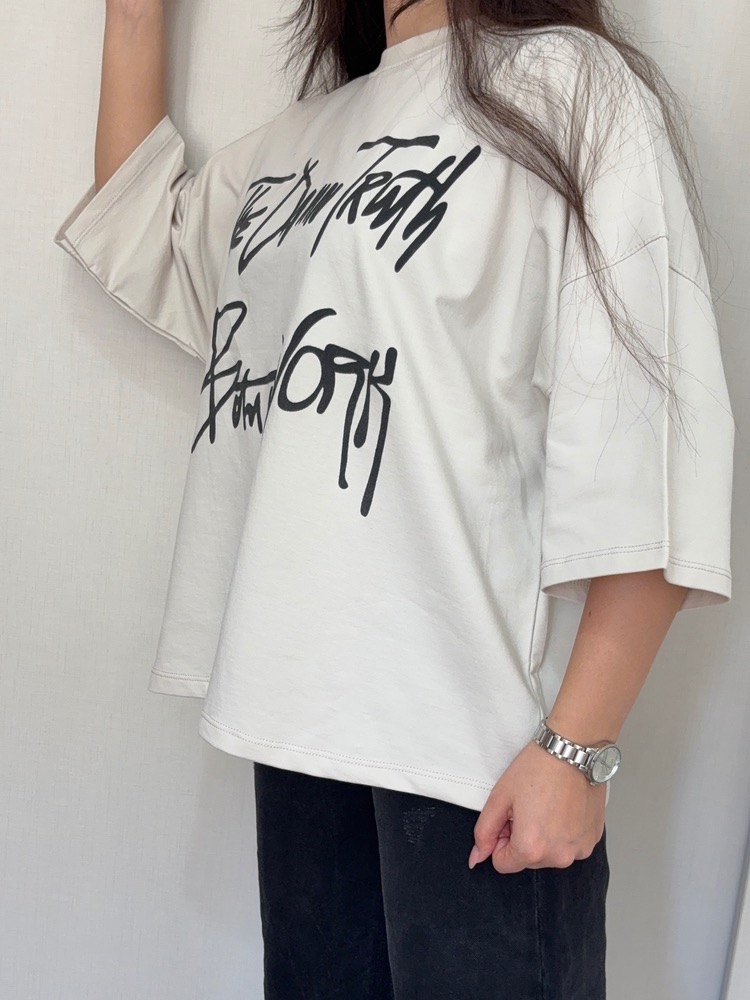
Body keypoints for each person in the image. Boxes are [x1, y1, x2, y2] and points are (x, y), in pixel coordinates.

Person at [53, 1, 734, 997]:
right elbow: (139, 226)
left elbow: (652, 436)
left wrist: (577, 748)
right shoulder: (307, 139)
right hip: (295, 731)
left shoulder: (568, 87)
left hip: (477, 763)